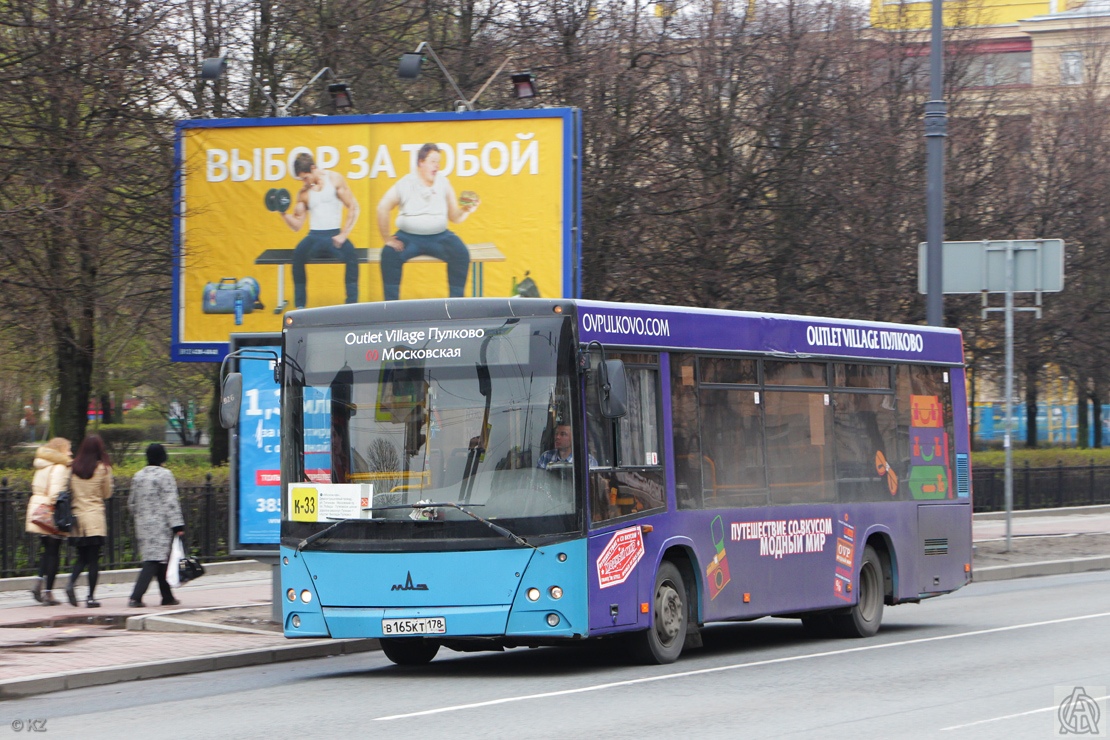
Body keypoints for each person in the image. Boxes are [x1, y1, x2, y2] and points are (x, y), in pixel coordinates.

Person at [376, 143, 480, 301]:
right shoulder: (405, 183)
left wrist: (466, 210)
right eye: (433, 161)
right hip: (408, 238)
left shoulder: (444, 183)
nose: (437, 166)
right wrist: (387, 239)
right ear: (421, 162)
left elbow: (455, 217)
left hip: (440, 237)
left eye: (438, 162)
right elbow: (382, 208)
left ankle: (456, 306)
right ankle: (391, 310)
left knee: (461, 253)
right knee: (389, 254)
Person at [279, 151, 361, 309]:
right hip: (314, 237)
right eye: (301, 179)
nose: (304, 181)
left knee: (352, 256)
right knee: (298, 255)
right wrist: (282, 212)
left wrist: (344, 235)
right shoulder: (303, 193)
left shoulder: (334, 179)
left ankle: (352, 305)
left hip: (334, 236)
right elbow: (297, 225)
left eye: (305, 177)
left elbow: (353, 207)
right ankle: (300, 306)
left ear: (313, 167)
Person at [128, 444, 185, 608]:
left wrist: (140, 517)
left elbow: (131, 502)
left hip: (143, 524)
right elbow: (170, 502)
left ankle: (167, 596)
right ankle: (136, 596)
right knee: (153, 561)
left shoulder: (138, 476)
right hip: (161, 524)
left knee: (161, 560)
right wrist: (177, 525)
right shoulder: (165, 475)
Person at [66, 434, 113, 607]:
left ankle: (71, 583)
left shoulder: (73, 467)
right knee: (93, 560)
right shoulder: (103, 468)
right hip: (94, 518)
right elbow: (107, 493)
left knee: (81, 557)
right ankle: (90, 597)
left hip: (77, 519)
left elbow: (68, 490)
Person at [25, 437, 71, 605]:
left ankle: (38, 581)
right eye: (68, 449)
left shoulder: (42, 465)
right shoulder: (59, 467)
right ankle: (48, 593)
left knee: (46, 550)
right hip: (49, 512)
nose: (70, 453)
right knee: (54, 552)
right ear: (60, 450)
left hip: (37, 509)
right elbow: (55, 493)